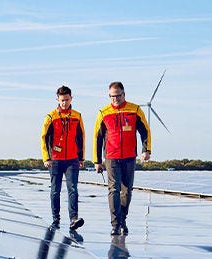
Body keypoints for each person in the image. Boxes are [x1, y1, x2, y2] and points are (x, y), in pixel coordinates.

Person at [93, 81, 151, 235]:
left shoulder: (135, 110)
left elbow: (145, 131)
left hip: (129, 157)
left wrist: (146, 150)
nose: (115, 99)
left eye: (118, 96)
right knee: (113, 189)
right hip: (111, 157)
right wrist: (97, 161)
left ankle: (123, 219)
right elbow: (97, 138)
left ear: (124, 94)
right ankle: (115, 224)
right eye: (112, 96)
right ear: (109, 96)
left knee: (127, 191)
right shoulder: (103, 113)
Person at [41, 85, 85, 231]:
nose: (64, 103)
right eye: (62, 100)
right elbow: (44, 138)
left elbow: (81, 137)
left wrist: (81, 158)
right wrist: (46, 158)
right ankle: (56, 219)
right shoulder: (51, 117)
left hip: (72, 159)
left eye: (67, 100)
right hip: (55, 160)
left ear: (71, 98)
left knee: (73, 188)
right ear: (57, 100)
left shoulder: (77, 116)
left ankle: (74, 218)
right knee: (55, 190)